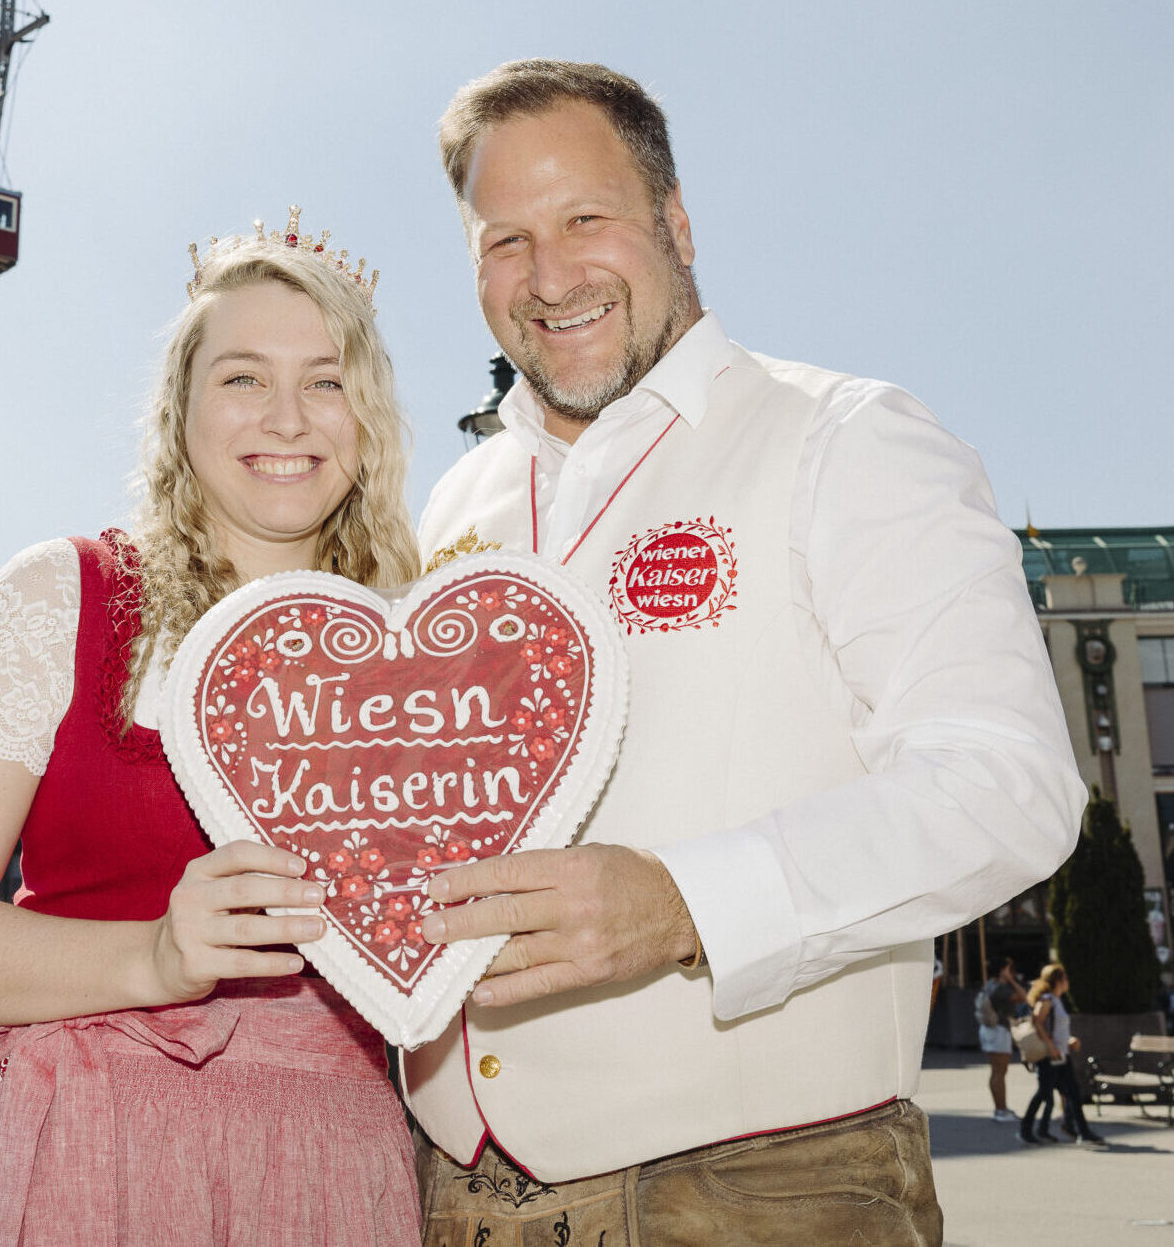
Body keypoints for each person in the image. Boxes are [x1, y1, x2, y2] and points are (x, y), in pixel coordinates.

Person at [410, 60, 1083, 1243]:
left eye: (585, 219)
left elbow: (1007, 783)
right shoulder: (453, 502)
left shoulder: (846, 435)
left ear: (674, 220)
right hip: (453, 1197)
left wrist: (685, 904)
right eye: (503, 239)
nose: (550, 274)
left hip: (753, 1193)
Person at [0, 222, 424, 1245]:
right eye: (243, 375)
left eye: (327, 381)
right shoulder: (64, 597)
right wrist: (154, 955)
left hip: (330, 1171)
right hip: (76, 1154)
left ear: (369, 416)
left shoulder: (418, 656)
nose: (287, 416)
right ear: (181, 408)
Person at [1017, 963, 1102, 1146]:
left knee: (1073, 1093)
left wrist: (1068, 1040)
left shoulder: (1056, 1000)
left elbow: (1055, 1028)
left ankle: (1082, 1131)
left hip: (1061, 1055)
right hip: (1050, 1056)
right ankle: (1026, 1129)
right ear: (1058, 980)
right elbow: (1037, 1021)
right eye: (1065, 978)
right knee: (1043, 1093)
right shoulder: (1047, 999)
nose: (1067, 982)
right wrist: (1051, 1045)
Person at [975, 955, 1026, 1122]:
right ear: (1002, 970)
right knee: (999, 1071)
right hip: (998, 1030)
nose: (1012, 971)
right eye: (1008, 969)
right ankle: (1000, 1110)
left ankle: (1001, 1108)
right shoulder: (1001, 988)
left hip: (990, 1029)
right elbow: (1023, 997)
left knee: (998, 1071)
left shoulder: (990, 985)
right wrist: (1011, 980)